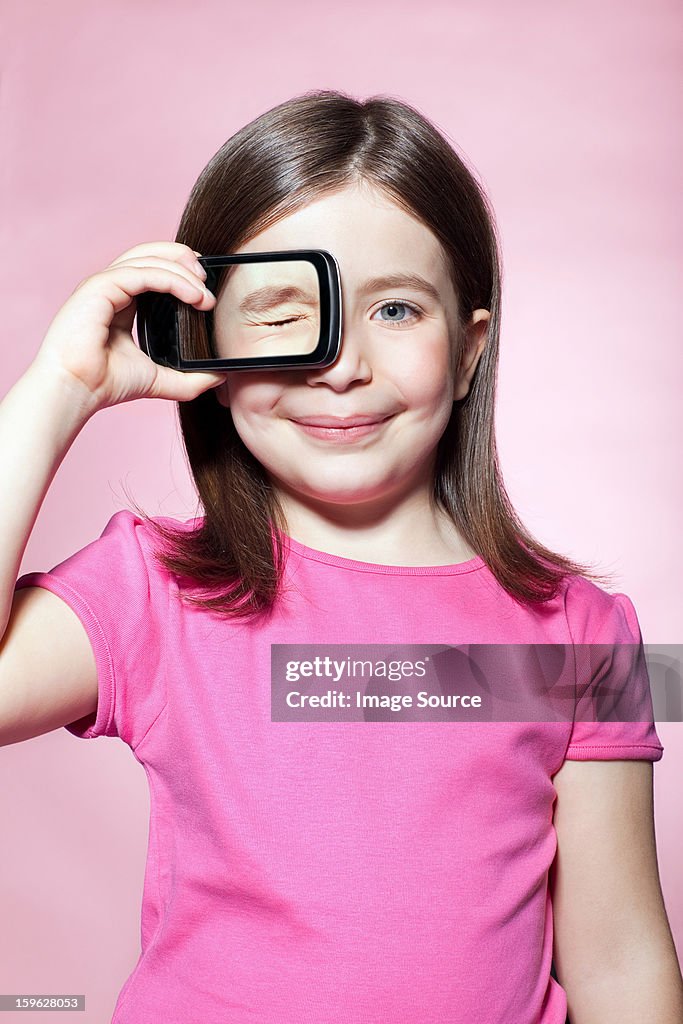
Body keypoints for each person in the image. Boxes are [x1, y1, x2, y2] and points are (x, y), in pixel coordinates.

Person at [0, 90, 681, 1024]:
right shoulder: (155, 593)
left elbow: (619, 963)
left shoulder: (578, 634)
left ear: (470, 349)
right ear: (207, 348)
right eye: (284, 314)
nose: (342, 366)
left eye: (396, 309)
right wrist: (58, 388)